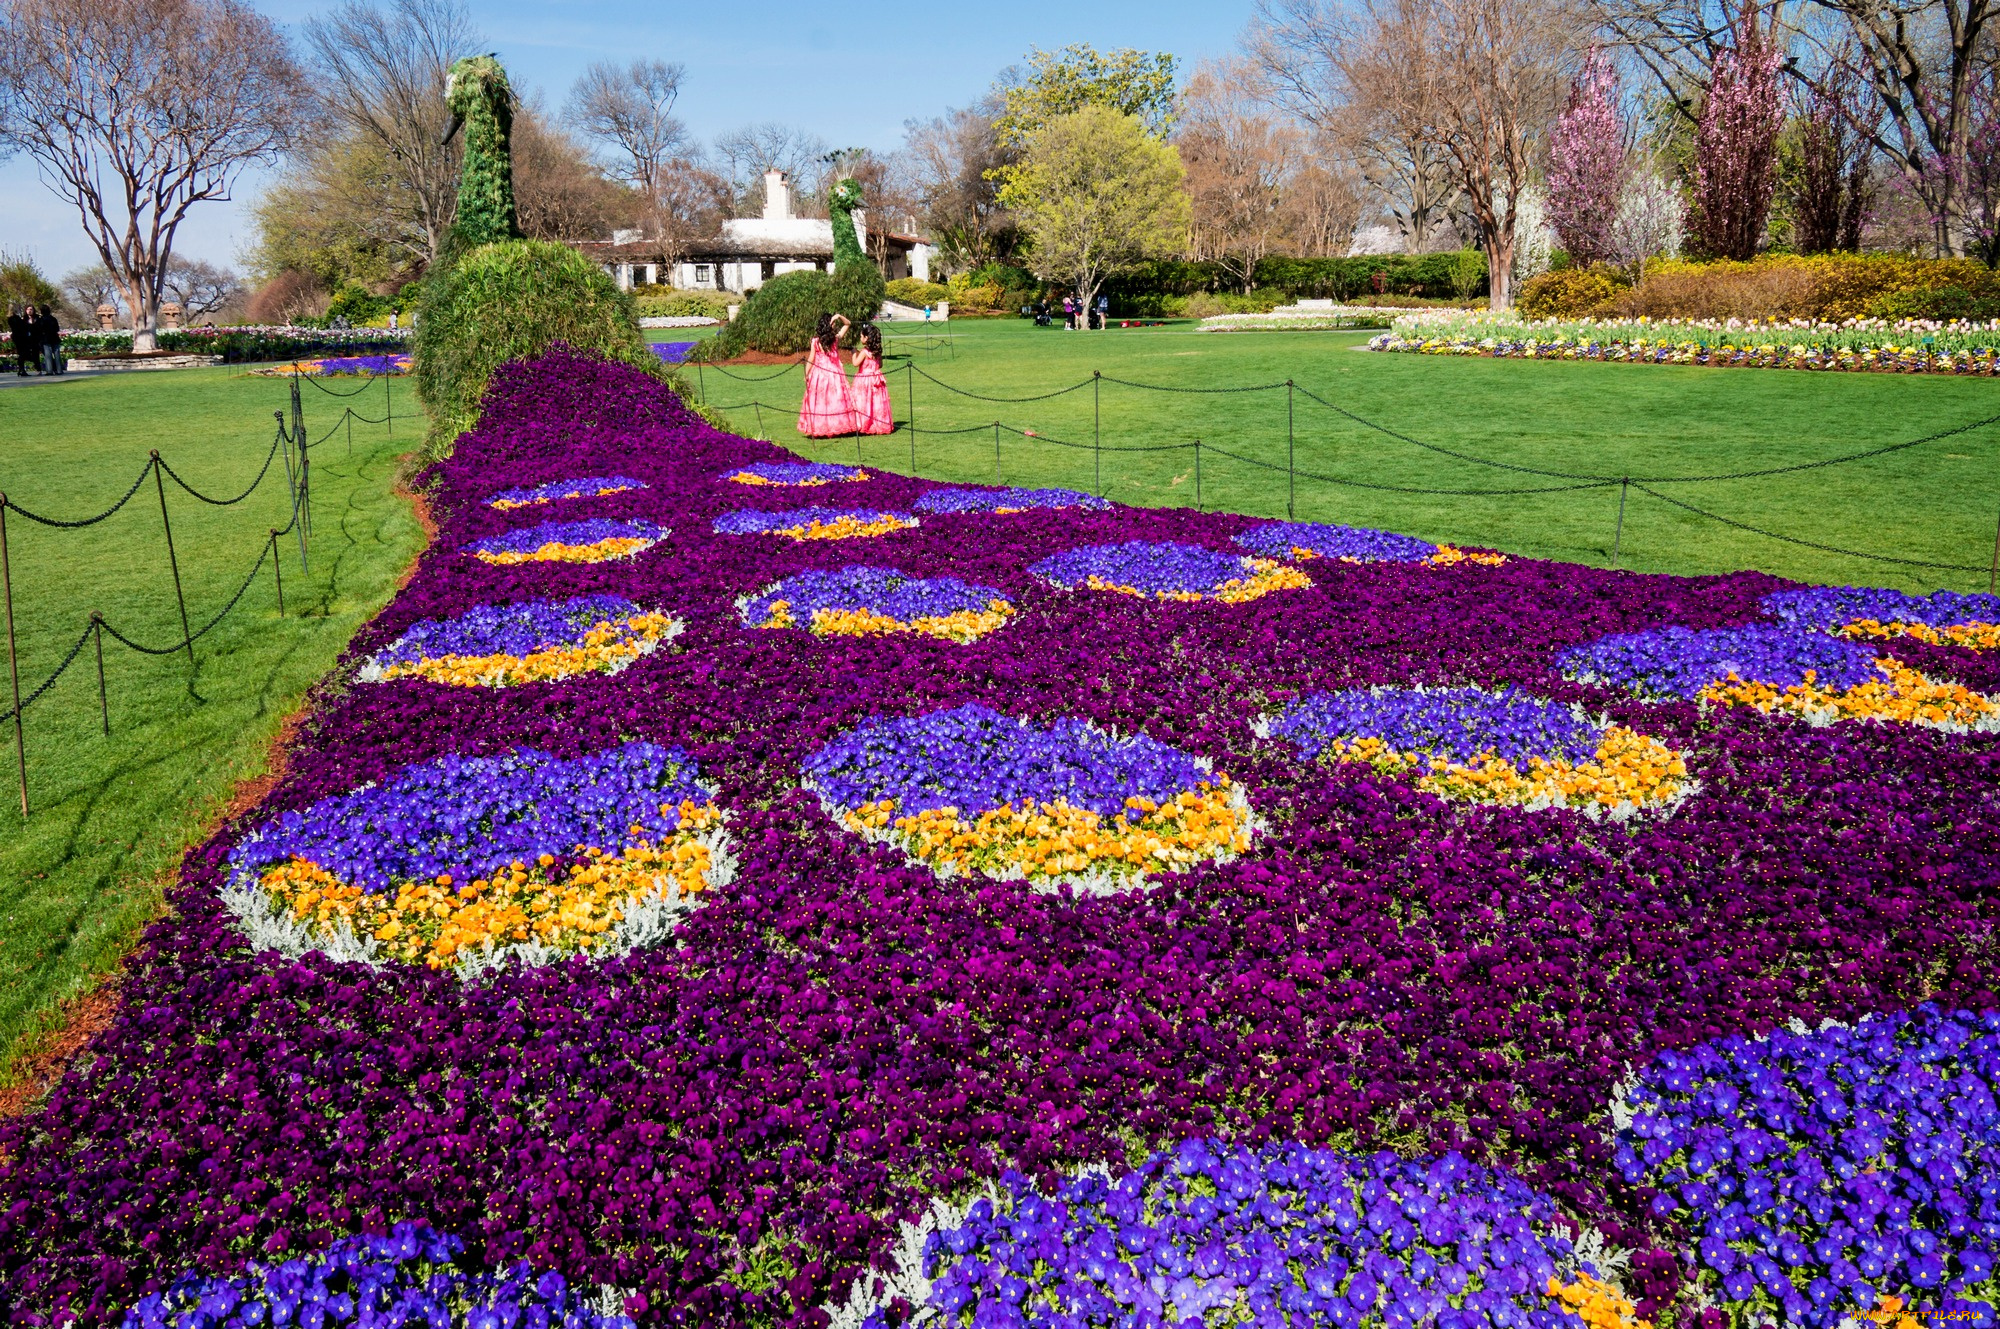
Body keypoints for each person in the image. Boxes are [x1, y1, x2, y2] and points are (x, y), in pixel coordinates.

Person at [797, 311, 854, 438]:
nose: (835, 325)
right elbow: (847, 324)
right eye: (833, 323)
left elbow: (811, 359)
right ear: (829, 324)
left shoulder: (817, 341)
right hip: (833, 373)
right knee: (833, 400)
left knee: (821, 401)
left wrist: (807, 374)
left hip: (819, 374)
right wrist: (839, 317)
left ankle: (823, 428)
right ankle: (833, 427)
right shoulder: (835, 339)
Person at [847, 322, 893, 436]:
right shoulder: (878, 351)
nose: (860, 338)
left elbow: (855, 363)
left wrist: (853, 353)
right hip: (876, 378)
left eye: (861, 336)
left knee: (863, 402)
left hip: (864, 379)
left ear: (866, 338)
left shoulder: (864, 352)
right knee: (876, 402)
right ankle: (878, 423)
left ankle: (863, 424)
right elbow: (880, 364)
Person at [33, 305, 61, 374]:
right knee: (57, 354)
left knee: (48, 355)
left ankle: (49, 370)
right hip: (55, 338)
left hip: (46, 339)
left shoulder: (41, 319)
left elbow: (38, 329)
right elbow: (57, 328)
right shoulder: (53, 319)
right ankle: (59, 370)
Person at [6, 304, 30, 375]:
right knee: (23, 353)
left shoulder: (10, 318)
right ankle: (21, 369)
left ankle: (21, 369)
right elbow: (21, 326)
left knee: (21, 352)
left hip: (16, 336)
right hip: (20, 336)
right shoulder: (15, 318)